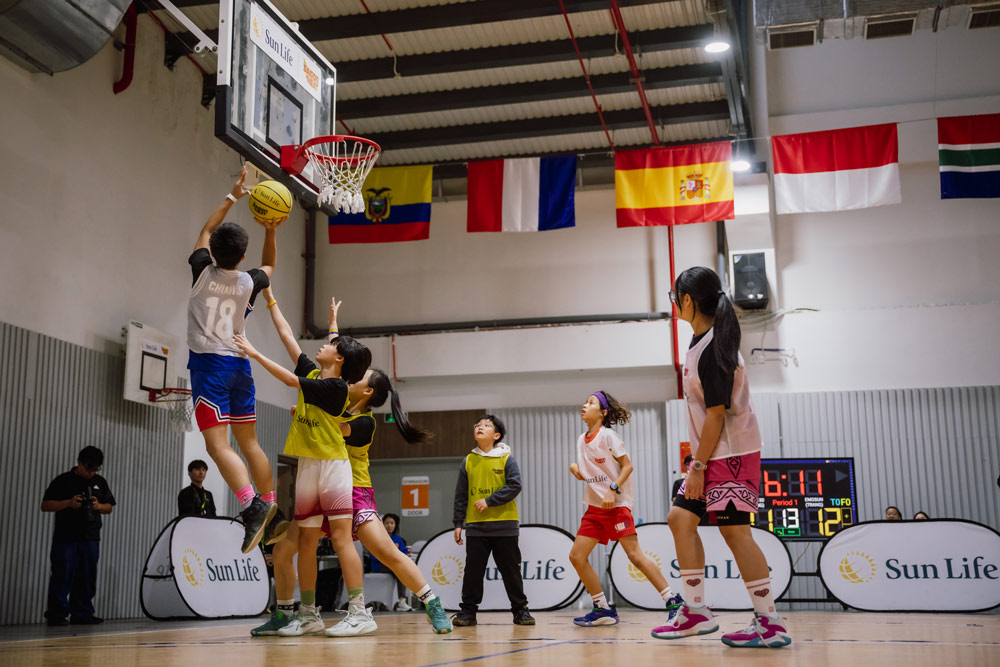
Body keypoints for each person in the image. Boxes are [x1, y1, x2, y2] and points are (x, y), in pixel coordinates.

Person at [249, 290, 452, 636]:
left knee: (387, 553)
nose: (354, 377)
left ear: (366, 391)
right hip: (317, 478)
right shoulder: (334, 388)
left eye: (360, 377)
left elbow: (333, 420)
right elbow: (334, 359)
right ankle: (290, 613)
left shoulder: (363, 421)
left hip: (352, 490)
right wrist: (331, 324)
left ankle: (430, 602)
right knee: (285, 549)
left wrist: (306, 409)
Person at [653, 266, 791, 648]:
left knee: (735, 532)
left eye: (674, 298)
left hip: (729, 455)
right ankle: (696, 611)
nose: (673, 305)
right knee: (680, 519)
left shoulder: (714, 346)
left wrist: (697, 466)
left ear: (686, 300)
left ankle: (769, 622)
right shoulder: (703, 341)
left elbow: (716, 412)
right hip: (714, 453)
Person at [235, 290, 374, 637]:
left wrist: (253, 352)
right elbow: (286, 335)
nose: (322, 345)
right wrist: (270, 299)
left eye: (330, 344)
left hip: (333, 467)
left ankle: (359, 611)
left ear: (339, 359)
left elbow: (285, 378)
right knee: (307, 543)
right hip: (308, 466)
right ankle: (308, 613)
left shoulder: (334, 388)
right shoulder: (316, 373)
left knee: (342, 539)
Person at [187, 166, 287, 553]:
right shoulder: (250, 281)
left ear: (211, 253)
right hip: (240, 366)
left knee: (216, 446)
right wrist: (272, 228)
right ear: (242, 256)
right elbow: (270, 266)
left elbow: (206, 231)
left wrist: (233, 196)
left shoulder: (199, 271)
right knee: (250, 443)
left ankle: (251, 505)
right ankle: (270, 505)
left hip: (209, 369)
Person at [568, 391, 681, 627]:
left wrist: (612, 489)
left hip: (617, 504)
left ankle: (674, 601)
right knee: (577, 556)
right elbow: (593, 474)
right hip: (594, 508)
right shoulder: (581, 439)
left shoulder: (608, 436)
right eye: (585, 402)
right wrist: (579, 472)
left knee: (635, 556)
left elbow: (628, 467)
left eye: (591, 403)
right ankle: (602, 609)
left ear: (603, 412)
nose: (584, 405)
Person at [452, 415, 534, 627]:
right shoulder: (468, 460)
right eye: (478, 424)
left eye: (486, 426)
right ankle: (468, 612)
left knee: (511, 572)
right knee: (472, 573)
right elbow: (461, 495)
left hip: (505, 525)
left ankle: (521, 611)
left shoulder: (507, 458)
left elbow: (515, 485)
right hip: (476, 527)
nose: (480, 427)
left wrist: (490, 501)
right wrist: (458, 523)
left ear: (496, 435)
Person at [41, 446, 116, 626]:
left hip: (91, 536)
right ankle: (57, 614)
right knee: (62, 573)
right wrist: (68, 503)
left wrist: (98, 506)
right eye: (88, 468)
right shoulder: (63, 480)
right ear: (79, 462)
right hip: (66, 536)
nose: (91, 473)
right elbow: (45, 505)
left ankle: (82, 614)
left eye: (95, 469)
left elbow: (110, 507)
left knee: (87, 575)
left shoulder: (100, 481)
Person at [370, 514, 410, 611]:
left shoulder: (398, 539)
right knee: (399, 569)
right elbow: (374, 555)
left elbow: (403, 554)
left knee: (402, 569)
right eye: (387, 523)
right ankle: (402, 601)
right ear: (382, 525)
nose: (389, 525)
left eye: (392, 523)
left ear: (396, 525)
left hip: (394, 566)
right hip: (380, 566)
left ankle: (402, 601)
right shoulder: (377, 538)